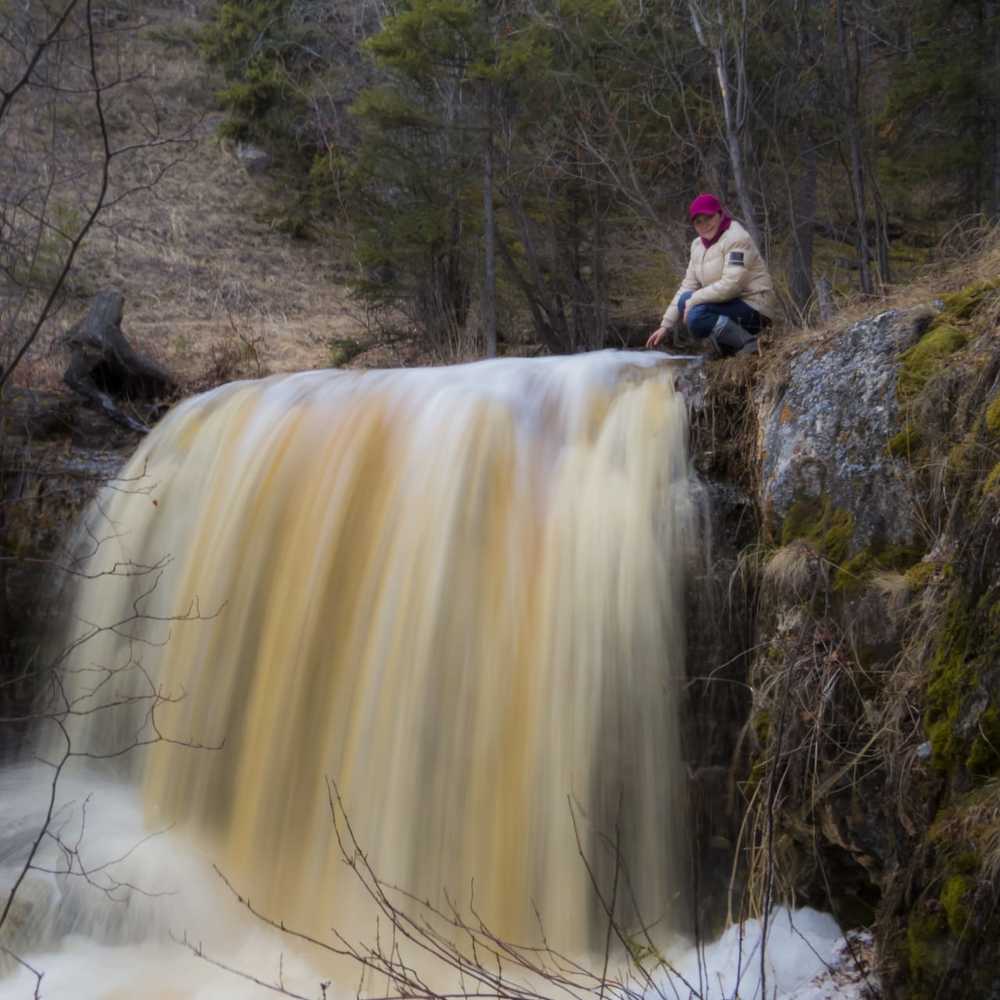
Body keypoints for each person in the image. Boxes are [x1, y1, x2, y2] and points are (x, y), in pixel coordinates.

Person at [646, 193, 775, 357]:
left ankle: (749, 344)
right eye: (698, 221)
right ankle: (728, 349)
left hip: (754, 308)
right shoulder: (697, 246)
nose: (705, 225)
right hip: (731, 305)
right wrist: (665, 326)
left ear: (720, 215)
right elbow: (688, 286)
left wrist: (694, 300)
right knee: (684, 300)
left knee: (696, 314)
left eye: (709, 217)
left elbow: (732, 286)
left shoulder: (736, 238)